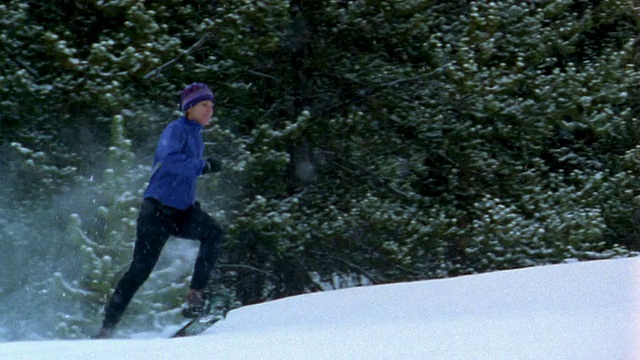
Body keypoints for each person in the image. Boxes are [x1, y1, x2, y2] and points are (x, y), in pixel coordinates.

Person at [94, 83, 224, 339]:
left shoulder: (196, 135)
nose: (210, 110)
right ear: (189, 108)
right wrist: (203, 166)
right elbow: (169, 160)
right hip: (157, 212)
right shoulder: (175, 130)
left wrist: (191, 198)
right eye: (204, 105)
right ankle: (107, 327)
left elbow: (182, 178)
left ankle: (195, 294)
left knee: (214, 233)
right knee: (140, 270)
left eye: (211, 105)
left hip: (182, 211)